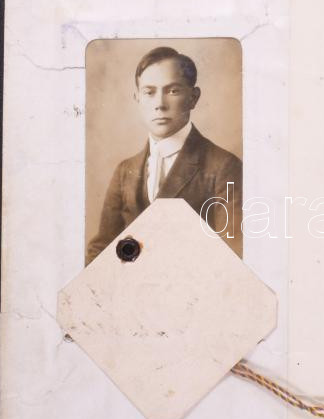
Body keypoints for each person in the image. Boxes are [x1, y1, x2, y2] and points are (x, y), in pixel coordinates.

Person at [86, 46, 242, 265]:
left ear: (193, 97)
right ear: (137, 98)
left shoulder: (223, 167)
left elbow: (233, 255)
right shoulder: (125, 171)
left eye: (173, 91)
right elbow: (100, 250)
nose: (159, 104)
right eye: (149, 92)